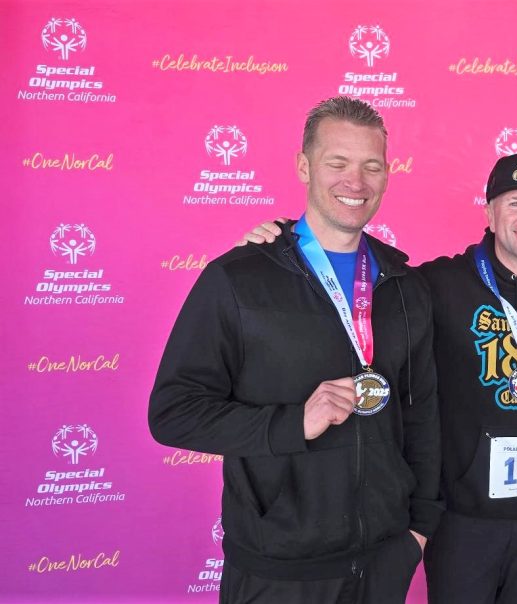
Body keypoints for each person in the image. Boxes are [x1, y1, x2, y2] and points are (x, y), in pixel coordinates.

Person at [236, 150, 517, 603]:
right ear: (489, 212)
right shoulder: (436, 283)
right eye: (513, 202)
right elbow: (350, 287)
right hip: (463, 519)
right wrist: (281, 249)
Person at [149, 96, 442, 604]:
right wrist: (291, 423)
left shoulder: (402, 284)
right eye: (338, 163)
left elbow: (421, 413)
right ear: (304, 166)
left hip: (383, 560)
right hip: (278, 569)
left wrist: (418, 529)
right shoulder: (239, 278)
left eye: (372, 166)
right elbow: (173, 413)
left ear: (388, 175)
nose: (357, 181)